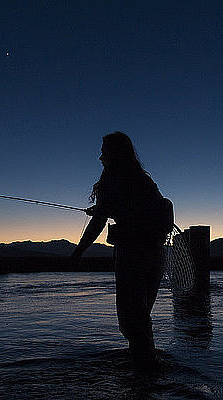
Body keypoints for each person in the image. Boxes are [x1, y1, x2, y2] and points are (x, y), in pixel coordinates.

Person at [71, 131, 173, 371]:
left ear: (114, 154)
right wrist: (102, 209)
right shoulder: (142, 179)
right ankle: (146, 373)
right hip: (156, 254)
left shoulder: (114, 180)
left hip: (133, 255)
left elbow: (99, 223)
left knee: (130, 321)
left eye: (104, 151)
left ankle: (143, 374)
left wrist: (78, 252)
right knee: (140, 317)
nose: (100, 157)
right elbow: (133, 208)